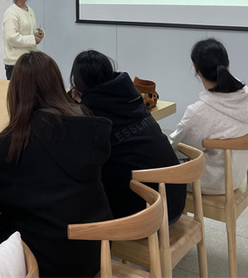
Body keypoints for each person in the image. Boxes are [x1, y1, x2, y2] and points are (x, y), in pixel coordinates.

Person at [0, 51, 112, 277]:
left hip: (50, 261)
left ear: (17, 92)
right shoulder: (85, 125)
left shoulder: (20, 141)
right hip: (95, 250)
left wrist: (2, 138)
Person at [70, 50, 186, 224]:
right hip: (174, 204)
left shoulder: (94, 117)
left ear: (77, 84)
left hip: (144, 217)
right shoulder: (132, 98)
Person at [169, 38, 248, 195]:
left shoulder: (199, 113)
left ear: (195, 68)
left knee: (153, 167)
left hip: (209, 183)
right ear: (226, 63)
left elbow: (174, 150)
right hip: (236, 177)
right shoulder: (245, 95)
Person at [2, 0, 44, 79]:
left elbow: (28, 31)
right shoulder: (11, 12)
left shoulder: (29, 10)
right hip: (16, 63)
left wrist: (38, 34)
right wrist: (33, 39)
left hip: (29, 60)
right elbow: (11, 38)